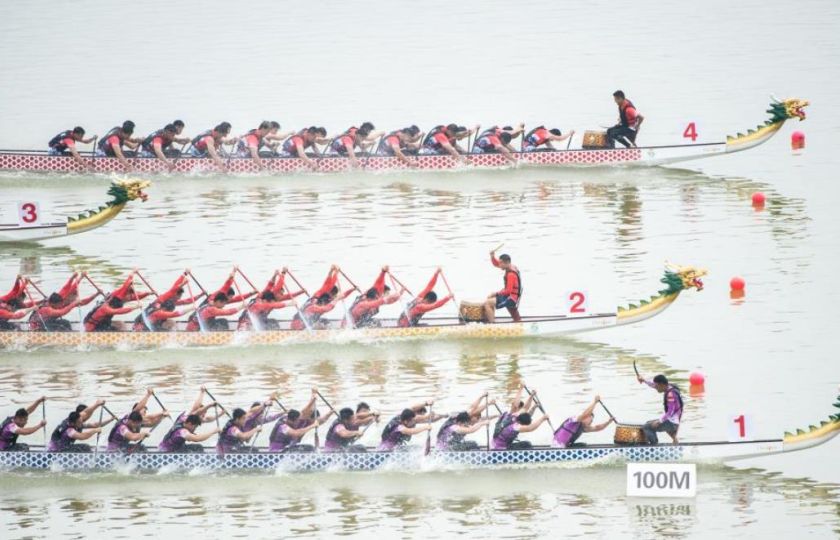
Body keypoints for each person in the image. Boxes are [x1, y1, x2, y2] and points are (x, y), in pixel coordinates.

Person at [290, 266, 354, 331]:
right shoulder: (314, 303)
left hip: (303, 324)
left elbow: (340, 294)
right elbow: (327, 308)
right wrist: (336, 273)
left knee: (324, 322)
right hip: (298, 327)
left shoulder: (322, 297)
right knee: (325, 323)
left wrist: (352, 289)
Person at [491, 385, 548, 450]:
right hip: (500, 449)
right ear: (522, 423)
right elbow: (530, 428)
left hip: (494, 444)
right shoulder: (515, 427)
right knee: (527, 444)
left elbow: (525, 408)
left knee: (524, 444)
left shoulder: (513, 416)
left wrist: (532, 396)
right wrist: (543, 418)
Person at [637, 373, 683, 444]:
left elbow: (670, 412)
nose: (656, 388)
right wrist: (644, 380)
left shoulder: (670, 395)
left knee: (647, 427)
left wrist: (659, 421)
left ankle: (654, 447)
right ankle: (675, 442)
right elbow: (652, 384)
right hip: (673, 420)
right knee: (648, 423)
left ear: (662, 384)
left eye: (657, 386)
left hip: (672, 422)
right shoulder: (669, 386)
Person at [484, 251, 522, 323]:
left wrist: (495, 293)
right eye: (500, 262)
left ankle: (492, 325)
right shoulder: (510, 266)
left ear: (507, 262)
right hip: (511, 296)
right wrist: (492, 257)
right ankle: (491, 318)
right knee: (490, 299)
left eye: (501, 263)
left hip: (510, 298)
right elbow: (496, 264)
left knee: (487, 303)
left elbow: (508, 291)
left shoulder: (511, 274)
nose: (499, 264)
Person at [30, 291, 94, 332]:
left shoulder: (51, 303)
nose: (60, 306)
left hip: (45, 323)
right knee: (62, 325)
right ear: (53, 304)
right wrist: (73, 303)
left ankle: (69, 334)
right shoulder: (47, 309)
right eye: (59, 304)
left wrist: (96, 295)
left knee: (65, 323)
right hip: (36, 328)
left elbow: (83, 302)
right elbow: (62, 312)